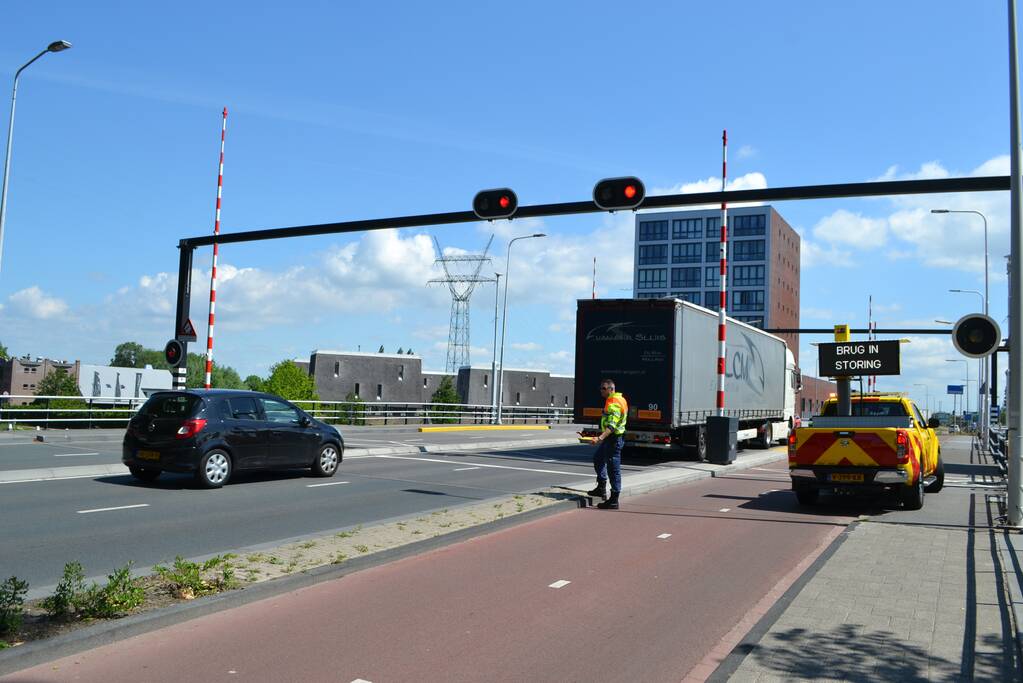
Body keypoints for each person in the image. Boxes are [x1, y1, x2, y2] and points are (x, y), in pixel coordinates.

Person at [587, 379, 628, 510]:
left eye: (603, 388)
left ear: (611, 389)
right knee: (598, 459)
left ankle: (614, 499)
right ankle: (601, 488)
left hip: (614, 439)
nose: (601, 390)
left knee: (613, 468)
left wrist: (600, 438)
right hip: (610, 439)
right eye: (601, 388)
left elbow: (612, 425)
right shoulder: (613, 400)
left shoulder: (614, 403)